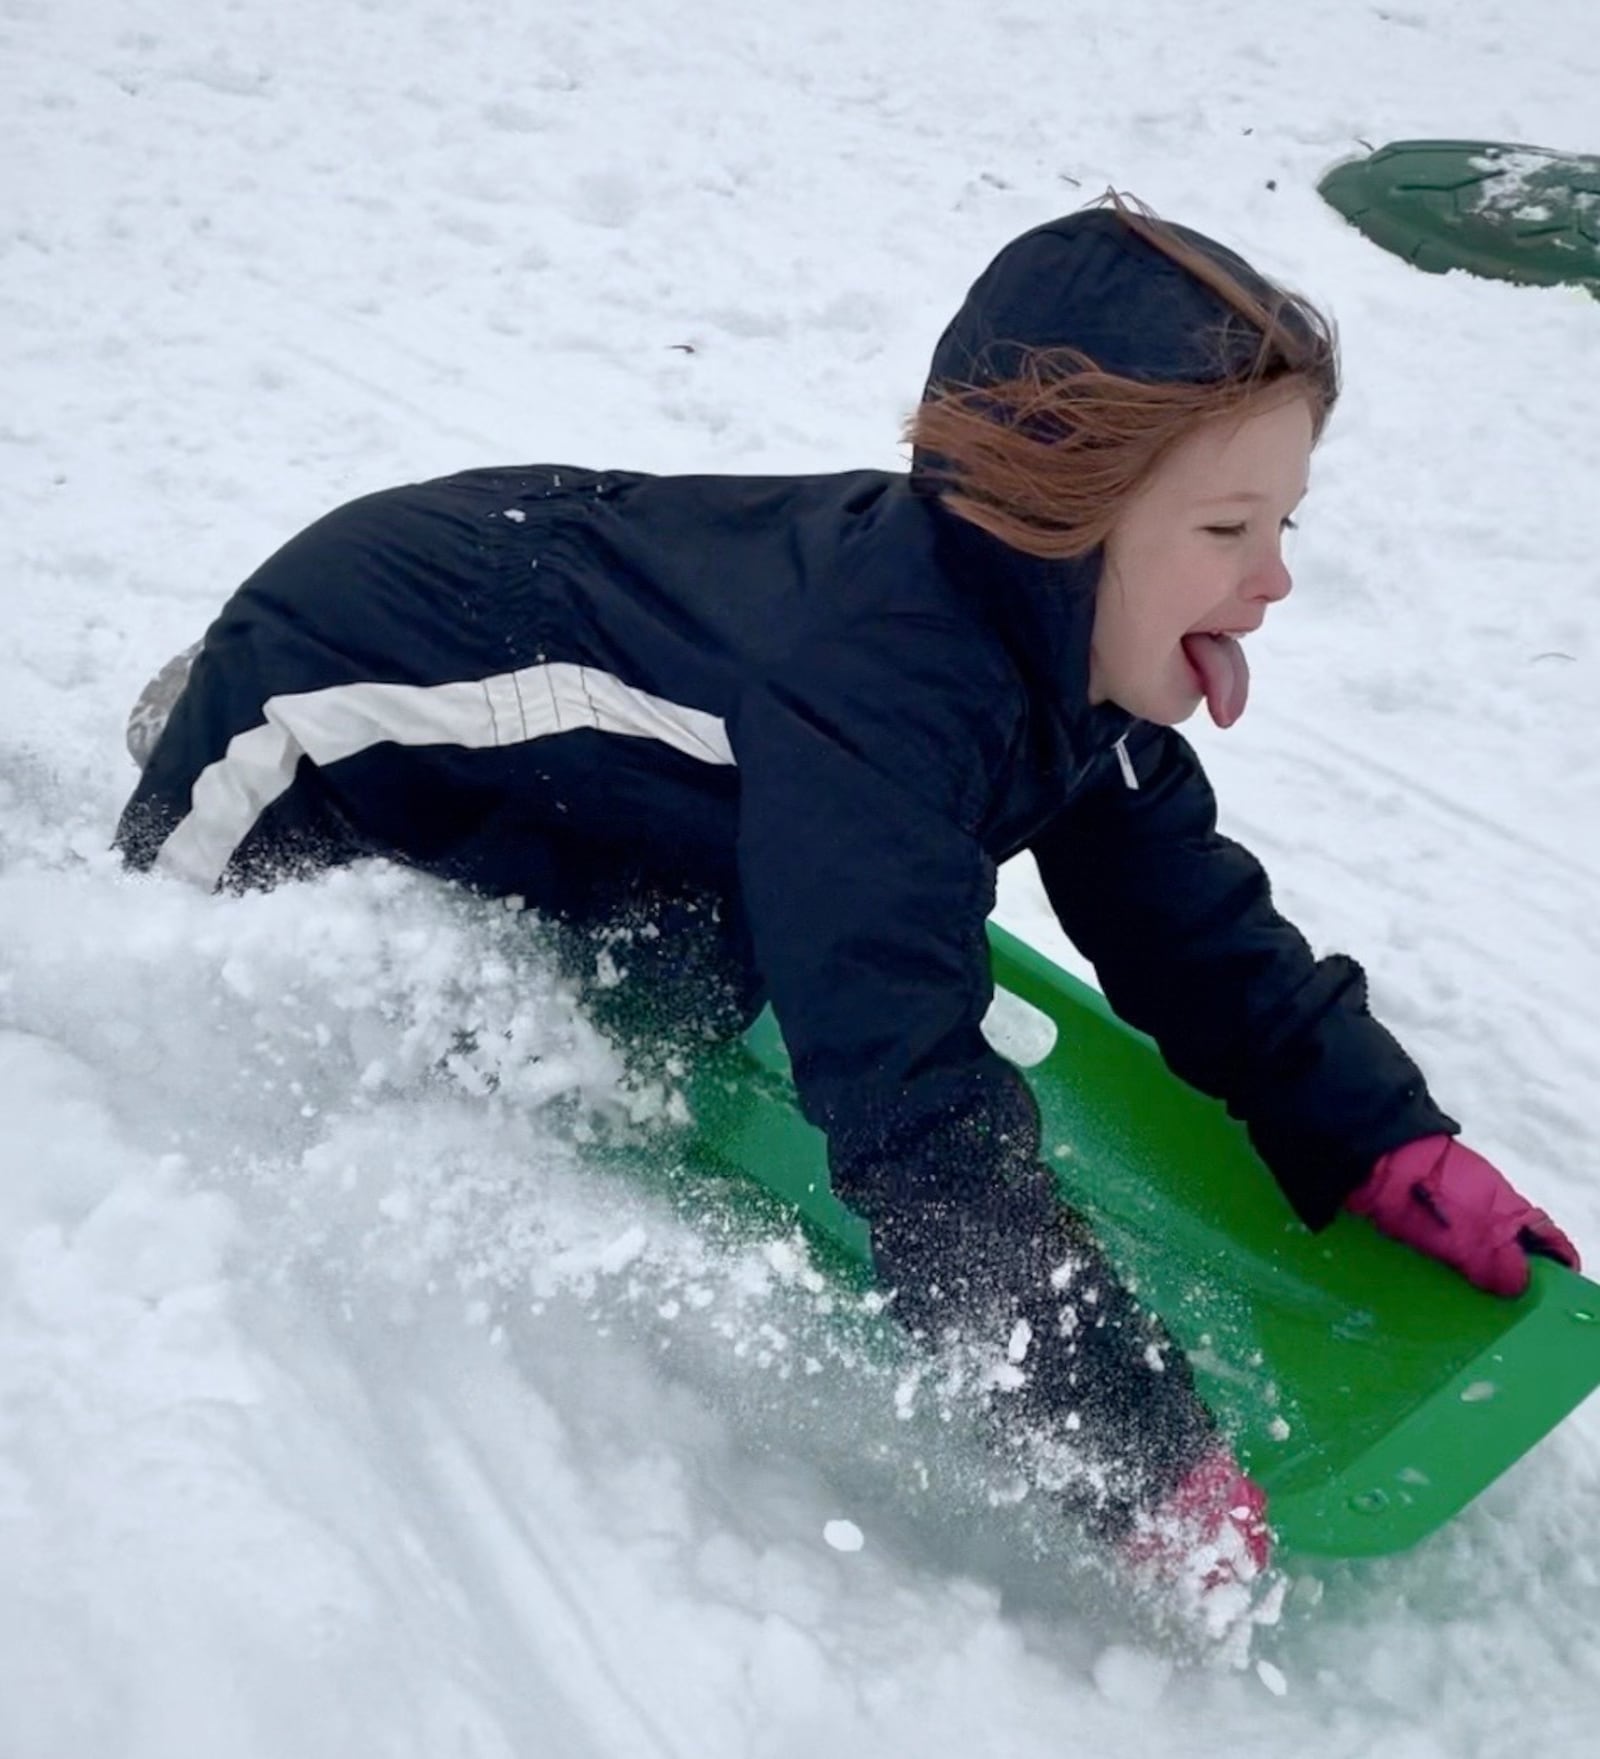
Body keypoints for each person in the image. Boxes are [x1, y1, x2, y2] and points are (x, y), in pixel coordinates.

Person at [114, 198, 1580, 1587]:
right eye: (1224, 533)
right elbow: (917, 1112)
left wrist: (1378, 1134)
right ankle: (197, 729)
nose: (1272, 583)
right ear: (1061, 512)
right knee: (164, 965)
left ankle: (522, 845)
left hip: (592, 734)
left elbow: (1179, 911)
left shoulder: (1063, 650)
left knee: (681, 986)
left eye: (1283, 528)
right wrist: (1119, 1441)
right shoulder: (873, 715)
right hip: (322, 699)